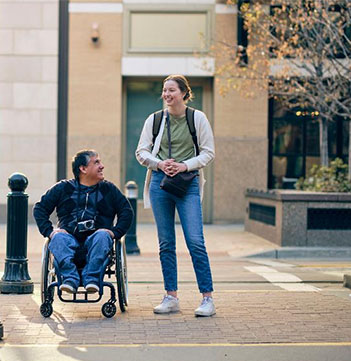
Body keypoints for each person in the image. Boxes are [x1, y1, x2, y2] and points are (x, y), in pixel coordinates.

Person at [135, 74, 216, 317]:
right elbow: (141, 152)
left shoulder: (197, 118)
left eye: (171, 90)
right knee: (166, 243)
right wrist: (160, 164)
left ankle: (207, 299)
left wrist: (185, 165)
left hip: (187, 182)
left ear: (183, 93)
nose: (167, 94)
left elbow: (208, 153)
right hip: (160, 182)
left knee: (195, 241)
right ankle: (171, 296)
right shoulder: (156, 119)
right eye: (164, 90)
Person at [33, 150, 133, 294]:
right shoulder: (63, 188)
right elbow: (40, 208)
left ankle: (92, 279)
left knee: (103, 235)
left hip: (97, 243)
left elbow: (126, 211)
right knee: (57, 237)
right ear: (83, 168)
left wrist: (114, 232)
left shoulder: (108, 189)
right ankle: (69, 279)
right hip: (68, 241)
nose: (102, 166)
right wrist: (49, 231)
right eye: (96, 162)